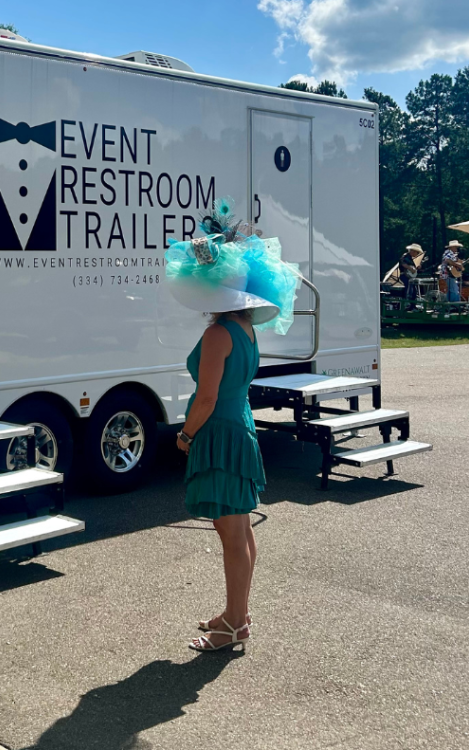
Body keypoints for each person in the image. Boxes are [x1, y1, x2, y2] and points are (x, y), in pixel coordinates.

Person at [165, 199, 299, 653]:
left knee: (231, 533)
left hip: (220, 432)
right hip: (239, 426)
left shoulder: (218, 334)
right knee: (240, 531)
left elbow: (205, 398)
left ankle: (232, 626)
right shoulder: (246, 328)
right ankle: (236, 616)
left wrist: (185, 436)